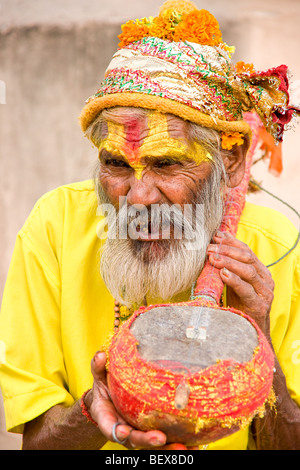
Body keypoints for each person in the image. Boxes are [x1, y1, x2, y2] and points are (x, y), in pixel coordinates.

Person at [0, 0, 300, 450]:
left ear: (232, 163)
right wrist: (94, 406)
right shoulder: (55, 226)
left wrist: (257, 335)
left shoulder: (277, 246)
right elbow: (35, 443)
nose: (137, 198)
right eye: (116, 164)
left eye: (167, 164)